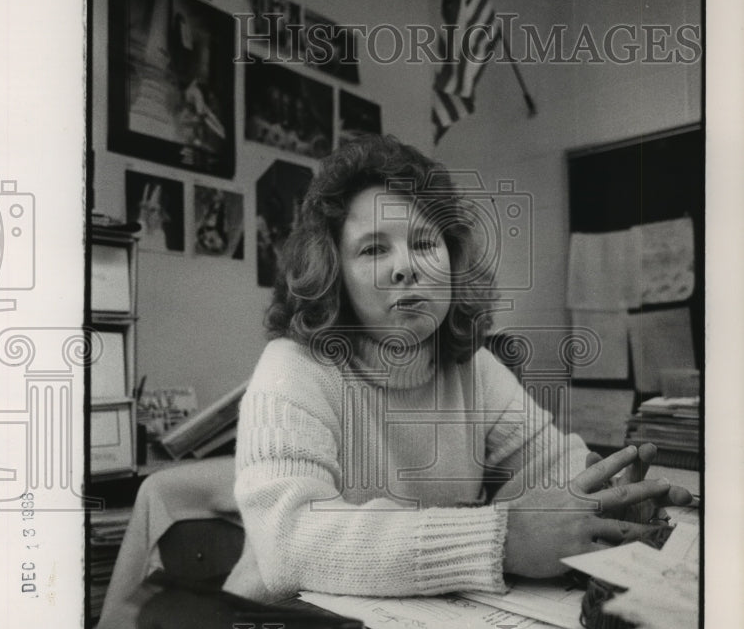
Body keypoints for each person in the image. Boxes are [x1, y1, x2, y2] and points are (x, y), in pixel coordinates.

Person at [223, 134, 691, 605]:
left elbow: (555, 467)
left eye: (425, 242)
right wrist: (501, 540)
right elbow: (288, 542)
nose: (406, 268)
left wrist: (614, 500)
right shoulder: (293, 367)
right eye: (372, 250)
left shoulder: (474, 368)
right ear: (333, 272)